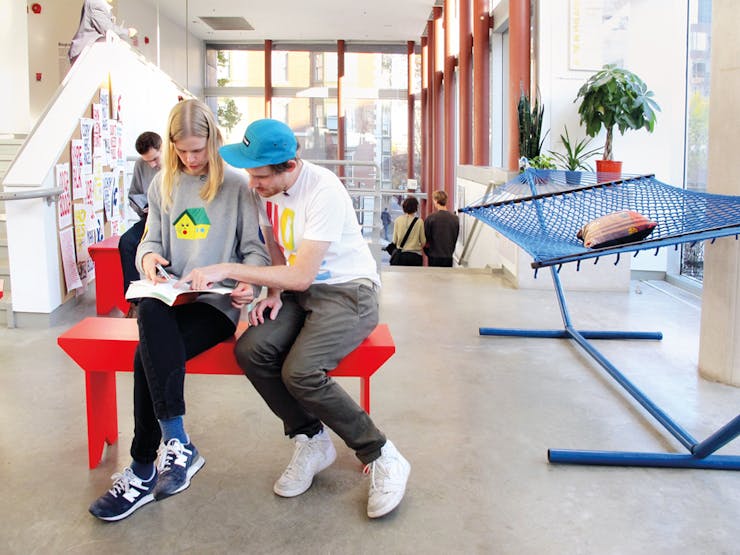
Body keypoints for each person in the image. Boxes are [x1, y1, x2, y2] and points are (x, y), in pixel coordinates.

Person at [181, 119, 411, 519]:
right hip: (299, 294)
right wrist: (272, 293)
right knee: (251, 350)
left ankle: (382, 454)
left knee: (301, 372)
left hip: (348, 292)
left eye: (261, 176)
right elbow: (275, 244)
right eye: (251, 175)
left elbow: (303, 273)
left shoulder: (323, 191)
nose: (253, 184)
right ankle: (311, 438)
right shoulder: (264, 191)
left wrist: (228, 269)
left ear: (289, 166)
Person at [88, 100, 269, 521]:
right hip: (171, 299)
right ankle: (177, 444)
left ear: (213, 141)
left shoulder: (237, 186)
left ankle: (143, 468)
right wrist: (148, 259)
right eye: (182, 150)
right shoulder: (162, 185)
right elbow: (149, 242)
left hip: (215, 306)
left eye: (198, 149)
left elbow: (255, 252)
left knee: (145, 356)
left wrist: (249, 284)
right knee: (149, 307)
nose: (190, 158)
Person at [120, 131, 162, 318]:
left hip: (172, 220)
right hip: (149, 218)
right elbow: (134, 194)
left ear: (163, 149)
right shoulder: (140, 164)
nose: (152, 164)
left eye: (155, 159)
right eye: (147, 161)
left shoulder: (177, 163)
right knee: (127, 242)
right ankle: (134, 301)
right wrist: (142, 207)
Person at [68, 0, 137, 65]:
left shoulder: (100, 4)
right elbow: (107, 29)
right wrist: (128, 32)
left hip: (90, 53)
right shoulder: (96, 3)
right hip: (84, 54)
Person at [424, 190, 460, 267]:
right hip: (448, 256)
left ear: (436, 201)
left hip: (434, 256)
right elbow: (455, 236)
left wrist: (427, 251)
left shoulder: (431, 218)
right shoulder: (455, 218)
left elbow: (426, 237)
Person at [390, 196, 426, 266]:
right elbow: (423, 241)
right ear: (416, 208)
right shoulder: (419, 221)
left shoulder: (398, 220)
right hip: (415, 256)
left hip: (401, 256)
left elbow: (394, 240)